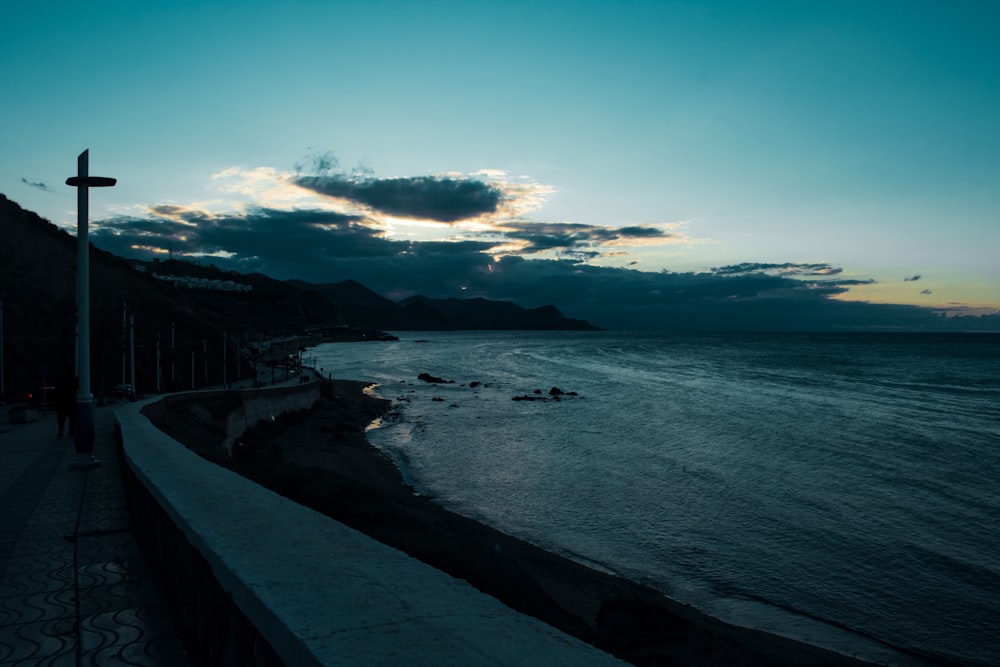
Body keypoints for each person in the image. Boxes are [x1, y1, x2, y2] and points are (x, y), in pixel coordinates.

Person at [54, 368, 77, 438]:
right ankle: (71, 430)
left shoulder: (61, 380)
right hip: (71, 401)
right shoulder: (74, 380)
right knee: (72, 417)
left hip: (62, 401)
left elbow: (57, 390)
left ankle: (61, 430)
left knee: (61, 417)